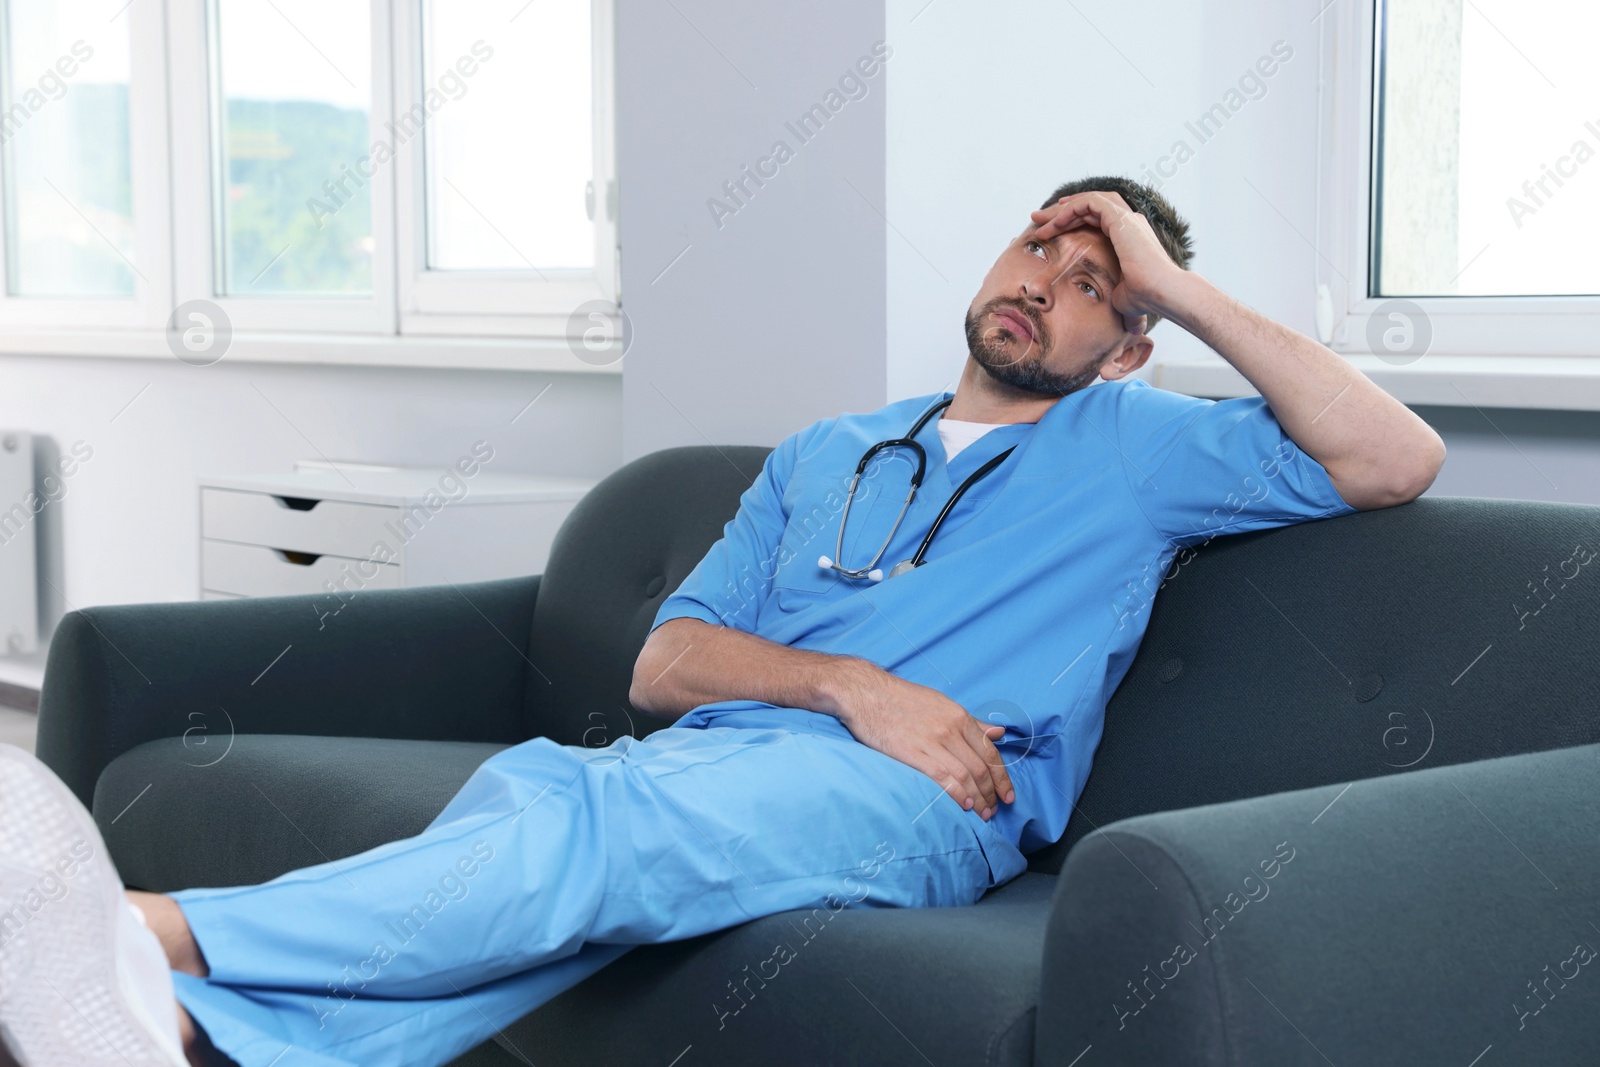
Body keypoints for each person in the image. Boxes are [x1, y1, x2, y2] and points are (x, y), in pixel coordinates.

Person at [0, 176, 1445, 1067]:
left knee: (588, 839)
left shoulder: (1144, 447)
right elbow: (663, 664)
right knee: (540, 809)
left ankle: (149, 932)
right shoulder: (829, 449)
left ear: (1126, 343)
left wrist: (1176, 282)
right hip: (739, 755)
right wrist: (846, 683)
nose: (1042, 289)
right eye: (1039, 247)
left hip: (926, 802)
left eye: (1092, 288)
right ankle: (182, 1037)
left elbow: (1395, 459)